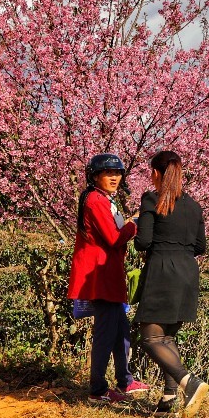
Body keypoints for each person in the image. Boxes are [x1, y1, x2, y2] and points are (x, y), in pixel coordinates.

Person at [133, 150, 209, 418]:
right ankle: (168, 396)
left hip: (162, 272)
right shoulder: (194, 205)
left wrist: (137, 226)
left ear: (155, 173)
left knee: (151, 337)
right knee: (167, 337)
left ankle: (188, 382)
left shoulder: (151, 199)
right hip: (188, 274)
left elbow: (142, 241)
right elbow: (201, 246)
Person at [68, 153, 150, 404]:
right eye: (108, 173)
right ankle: (98, 389)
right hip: (100, 275)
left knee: (120, 330)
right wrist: (134, 224)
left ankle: (125, 380)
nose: (114, 177)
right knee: (106, 332)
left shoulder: (103, 200)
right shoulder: (96, 200)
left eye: (117, 173)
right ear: (95, 177)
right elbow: (114, 238)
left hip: (108, 274)